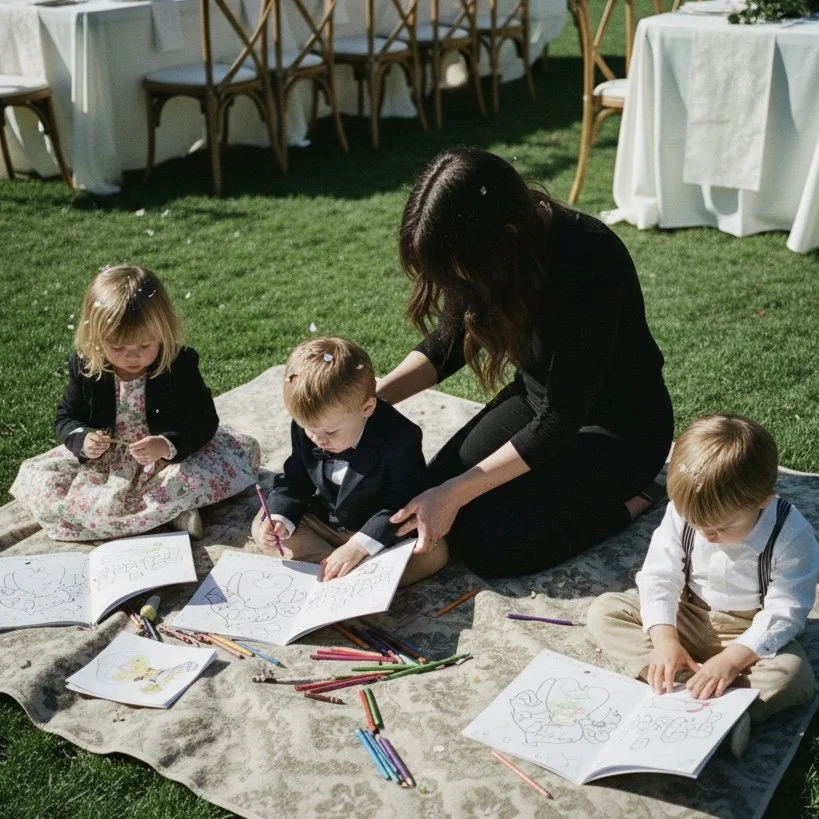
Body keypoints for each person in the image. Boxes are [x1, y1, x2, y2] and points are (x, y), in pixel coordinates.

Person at [377, 147, 674, 577]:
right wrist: (371, 401)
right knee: (426, 495)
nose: (454, 282)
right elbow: (448, 342)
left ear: (508, 234)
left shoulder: (590, 261)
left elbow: (560, 420)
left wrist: (457, 493)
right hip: (538, 402)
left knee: (488, 542)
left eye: (457, 273)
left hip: (620, 429)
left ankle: (630, 503)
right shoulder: (485, 249)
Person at [587, 414, 819, 758]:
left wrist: (732, 660)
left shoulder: (791, 534)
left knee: (794, 675)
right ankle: (674, 675)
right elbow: (659, 574)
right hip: (689, 612)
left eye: (720, 528)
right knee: (605, 611)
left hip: (746, 632)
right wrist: (665, 639)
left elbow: (785, 611)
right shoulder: (687, 514)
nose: (706, 535)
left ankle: (727, 719)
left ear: (762, 501)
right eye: (696, 525)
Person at [10, 264, 261, 541]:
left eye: (145, 346)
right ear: (96, 338)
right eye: (117, 347)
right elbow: (67, 417)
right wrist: (83, 439)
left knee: (216, 466)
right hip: (108, 462)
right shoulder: (86, 368)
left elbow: (203, 419)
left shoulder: (179, 364)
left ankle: (178, 509)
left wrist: (166, 444)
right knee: (41, 479)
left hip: (165, 458)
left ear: (163, 332)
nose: (132, 357)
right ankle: (168, 512)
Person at [251, 336, 447, 586]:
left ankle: (351, 570)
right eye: (308, 429)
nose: (317, 439)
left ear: (367, 408)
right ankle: (342, 571)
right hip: (325, 521)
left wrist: (359, 545)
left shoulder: (401, 438)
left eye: (329, 433)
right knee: (263, 526)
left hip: (381, 530)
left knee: (434, 553)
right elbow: (295, 478)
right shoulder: (311, 426)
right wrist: (279, 519)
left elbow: (400, 503)